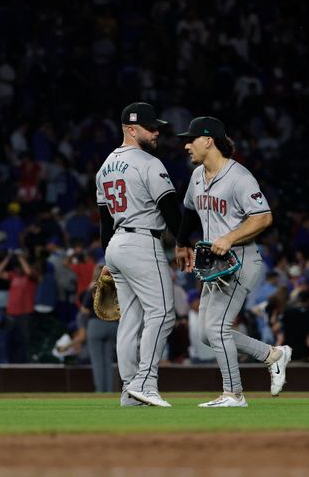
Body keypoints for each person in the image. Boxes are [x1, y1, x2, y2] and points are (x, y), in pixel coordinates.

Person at [174, 116, 291, 408]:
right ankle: (272, 355)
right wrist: (180, 243)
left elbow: (264, 217)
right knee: (204, 334)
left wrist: (230, 237)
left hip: (240, 260)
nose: (186, 145)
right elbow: (188, 210)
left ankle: (233, 393)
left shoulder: (239, 177)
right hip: (213, 264)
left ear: (208, 140)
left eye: (191, 139)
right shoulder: (198, 175)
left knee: (217, 328)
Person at [95, 102, 182, 407]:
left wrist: (107, 260)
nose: (156, 132)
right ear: (131, 130)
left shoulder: (104, 167)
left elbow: (105, 220)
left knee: (130, 320)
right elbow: (171, 208)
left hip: (117, 244)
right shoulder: (148, 163)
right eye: (150, 127)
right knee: (163, 314)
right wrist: (183, 243)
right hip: (142, 242)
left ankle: (129, 391)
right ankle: (145, 382)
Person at [81, 263, 118, 392]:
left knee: (97, 361)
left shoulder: (93, 286)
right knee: (108, 361)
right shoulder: (114, 286)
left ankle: (100, 391)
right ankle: (109, 391)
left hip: (95, 325)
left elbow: (84, 309)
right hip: (111, 324)